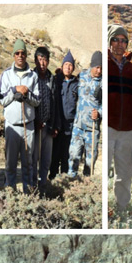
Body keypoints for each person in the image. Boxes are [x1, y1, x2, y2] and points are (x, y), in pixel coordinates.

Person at [106, 25, 132, 219]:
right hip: (108, 126)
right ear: (109, 41)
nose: (120, 44)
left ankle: (121, 211)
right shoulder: (103, 66)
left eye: (123, 40)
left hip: (129, 129)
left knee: (124, 173)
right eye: (116, 39)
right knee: (103, 170)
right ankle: (98, 211)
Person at [0, 39, 39, 193]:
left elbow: (37, 101)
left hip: (28, 126)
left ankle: (28, 196)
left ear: (26, 55)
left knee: (28, 164)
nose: (20, 55)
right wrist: (15, 91)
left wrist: (26, 94)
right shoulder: (6, 75)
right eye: (17, 53)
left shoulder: (33, 76)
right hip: (12, 126)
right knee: (10, 163)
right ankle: (10, 195)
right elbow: (2, 99)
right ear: (13, 55)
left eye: (23, 53)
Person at [68, 51, 101, 179]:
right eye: (97, 67)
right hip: (78, 126)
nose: (99, 70)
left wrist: (99, 112)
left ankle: (87, 188)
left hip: (92, 128)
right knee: (73, 156)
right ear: (92, 65)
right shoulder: (81, 76)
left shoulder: (104, 83)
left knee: (90, 161)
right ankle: (72, 183)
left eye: (101, 68)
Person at [51, 50, 78, 178]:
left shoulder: (77, 84)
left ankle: (65, 185)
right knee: (54, 156)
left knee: (66, 157)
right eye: (66, 64)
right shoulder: (56, 81)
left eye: (70, 65)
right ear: (62, 66)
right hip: (57, 126)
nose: (68, 67)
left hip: (70, 127)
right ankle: (52, 182)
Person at [31, 46, 53, 191]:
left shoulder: (52, 78)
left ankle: (43, 185)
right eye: (40, 60)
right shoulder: (31, 77)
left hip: (49, 125)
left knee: (46, 159)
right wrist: (35, 121)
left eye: (45, 60)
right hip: (35, 125)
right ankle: (33, 185)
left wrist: (54, 124)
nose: (42, 63)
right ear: (35, 61)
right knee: (34, 159)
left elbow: (55, 102)